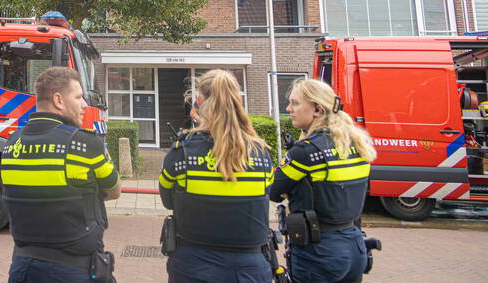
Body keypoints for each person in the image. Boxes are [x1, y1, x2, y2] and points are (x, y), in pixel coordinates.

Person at [2, 66, 121, 282]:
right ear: (59, 100)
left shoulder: (11, 144)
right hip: (71, 270)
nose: (84, 105)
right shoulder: (85, 144)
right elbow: (114, 191)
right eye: (78, 97)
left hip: (22, 268)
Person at [159, 69, 275, 283]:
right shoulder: (261, 155)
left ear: (199, 102)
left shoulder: (181, 153)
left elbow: (167, 201)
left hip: (194, 265)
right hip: (250, 267)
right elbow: (267, 195)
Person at [270, 79, 376, 283]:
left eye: (295, 103)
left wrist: (294, 187)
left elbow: (274, 191)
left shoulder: (305, 151)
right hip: (354, 245)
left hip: (319, 252)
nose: (288, 109)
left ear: (317, 110)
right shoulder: (358, 144)